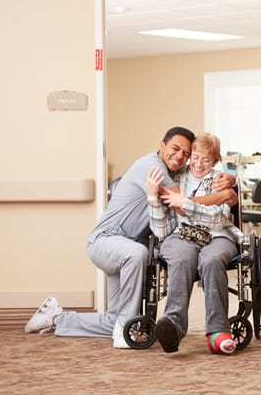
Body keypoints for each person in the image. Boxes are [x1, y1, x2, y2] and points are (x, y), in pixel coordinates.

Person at [24, 127, 236, 349]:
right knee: (139, 254)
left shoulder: (175, 171)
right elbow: (183, 206)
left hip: (125, 245)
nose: (181, 156)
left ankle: (56, 317)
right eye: (176, 149)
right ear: (161, 146)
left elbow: (199, 176)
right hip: (109, 242)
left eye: (185, 153)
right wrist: (226, 195)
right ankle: (124, 332)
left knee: (115, 318)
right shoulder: (154, 168)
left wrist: (230, 179)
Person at [146, 132, 243, 355]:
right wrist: (153, 199)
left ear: (215, 160)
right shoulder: (174, 178)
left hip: (218, 236)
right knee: (181, 258)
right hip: (182, 236)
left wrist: (185, 203)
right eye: (195, 157)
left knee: (212, 259)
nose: (199, 164)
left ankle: (218, 332)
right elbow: (161, 230)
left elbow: (218, 218)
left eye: (206, 160)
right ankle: (173, 326)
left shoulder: (219, 180)